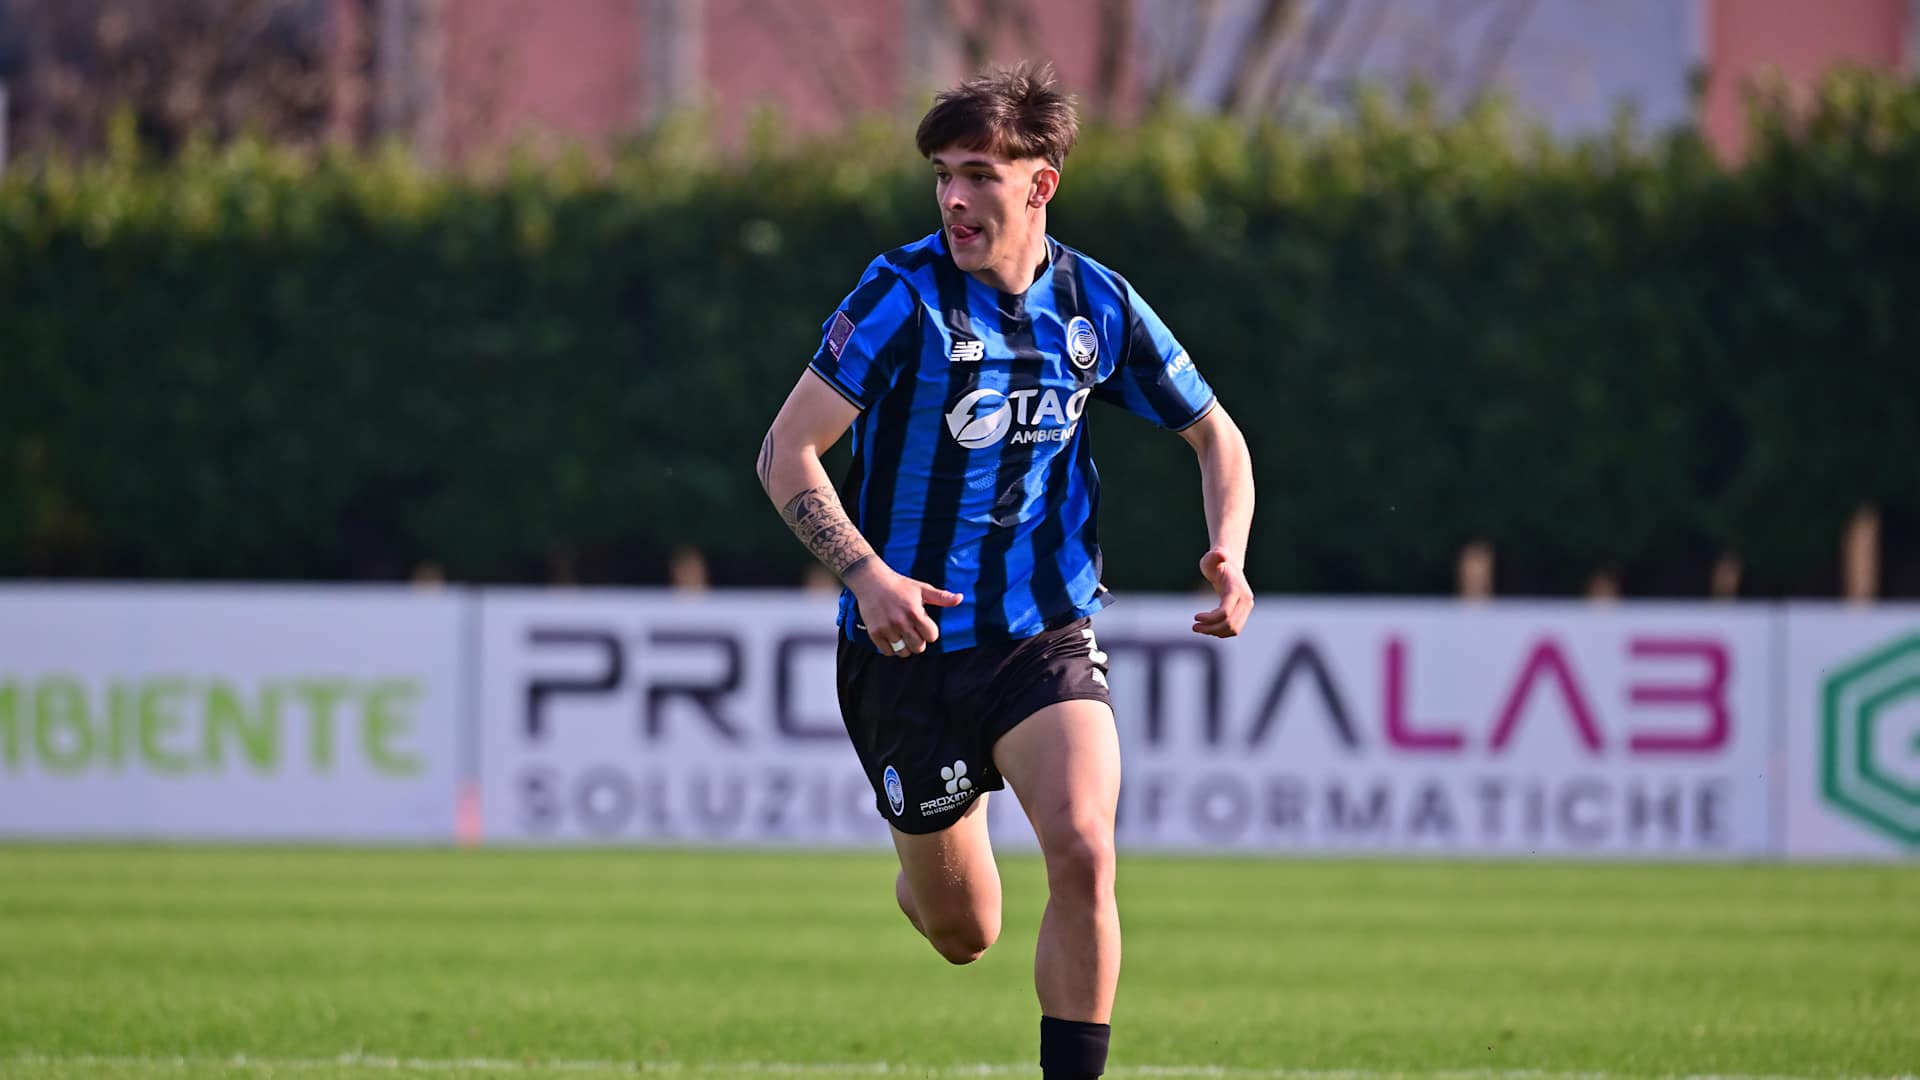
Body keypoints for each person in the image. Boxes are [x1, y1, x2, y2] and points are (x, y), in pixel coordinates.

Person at [756, 62, 1255, 1080]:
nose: (953, 198)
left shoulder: (1096, 304)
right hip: (908, 649)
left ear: (1040, 185)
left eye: (979, 175)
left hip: (1043, 634)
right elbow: (785, 452)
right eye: (943, 174)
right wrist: (868, 577)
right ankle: (926, 852)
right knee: (964, 930)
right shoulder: (900, 296)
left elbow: (1218, 437)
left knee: (1085, 848)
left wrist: (1231, 552)